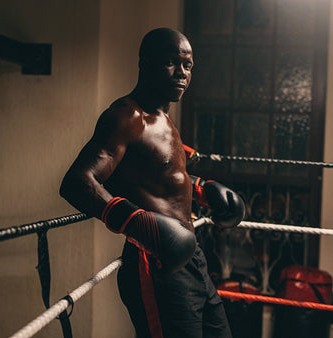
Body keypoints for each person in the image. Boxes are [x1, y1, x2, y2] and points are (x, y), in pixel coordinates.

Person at [59, 28, 245, 338]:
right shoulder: (126, 118)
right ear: (145, 64)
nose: (181, 74)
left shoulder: (165, 118)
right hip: (156, 267)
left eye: (187, 65)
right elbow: (77, 182)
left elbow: (157, 175)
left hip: (193, 260)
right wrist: (135, 222)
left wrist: (201, 189)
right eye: (171, 63)